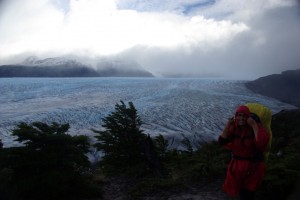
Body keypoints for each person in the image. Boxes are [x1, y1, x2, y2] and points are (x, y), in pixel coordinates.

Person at [218, 105, 270, 200]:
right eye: (239, 115)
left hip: (253, 166)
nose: (241, 118)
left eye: (244, 115)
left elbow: (261, 145)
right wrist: (228, 125)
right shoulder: (234, 128)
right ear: (236, 116)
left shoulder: (257, 128)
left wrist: (254, 125)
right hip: (237, 166)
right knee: (241, 190)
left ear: (248, 117)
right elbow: (222, 141)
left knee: (248, 192)